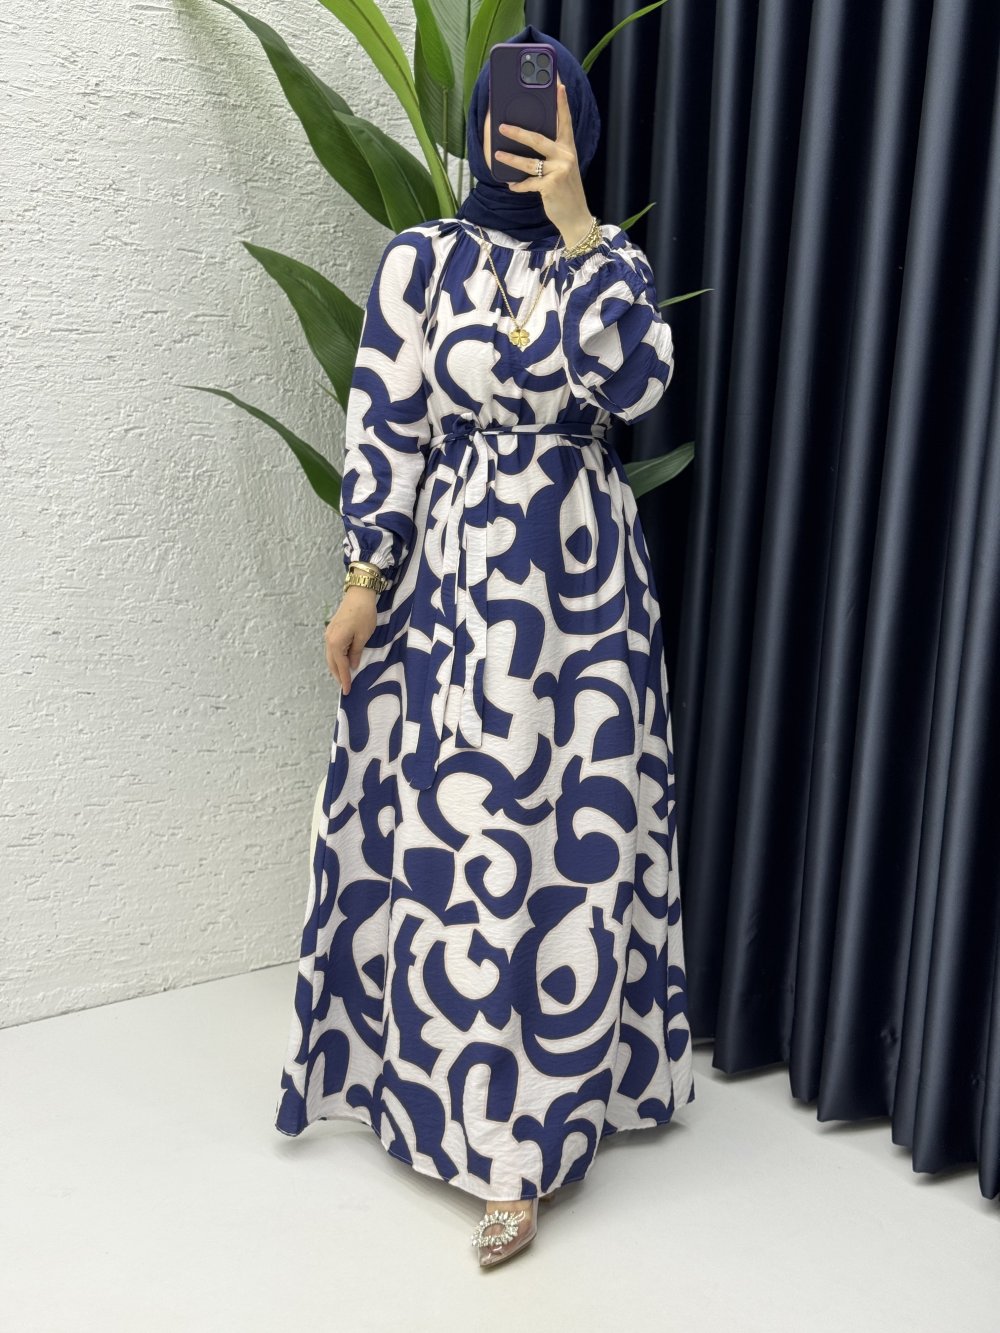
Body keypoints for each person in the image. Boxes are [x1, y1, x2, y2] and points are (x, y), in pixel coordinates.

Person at [273, 23, 695, 1268]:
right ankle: (431, 1092)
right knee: (459, 834)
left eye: (550, 116)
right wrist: (365, 577)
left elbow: (640, 388)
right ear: (476, 127)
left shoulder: (607, 263)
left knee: (572, 836)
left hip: (583, 593)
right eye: (511, 116)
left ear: (581, 129)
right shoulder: (420, 260)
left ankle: (536, 1132)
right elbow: (385, 419)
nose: (524, 134)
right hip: (456, 582)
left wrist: (577, 228)